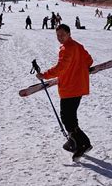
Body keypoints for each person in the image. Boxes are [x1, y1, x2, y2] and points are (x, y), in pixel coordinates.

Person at [36, 24, 93, 160]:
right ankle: (75, 142)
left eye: (62, 35)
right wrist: (79, 70)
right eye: (57, 35)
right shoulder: (77, 46)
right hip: (79, 87)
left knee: (67, 118)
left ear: (69, 34)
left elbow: (61, 68)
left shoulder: (66, 49)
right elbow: (89, 61)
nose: (60, 38)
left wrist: (44, 75)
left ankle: (83, 143)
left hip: (70, 88)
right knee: (70, 117)